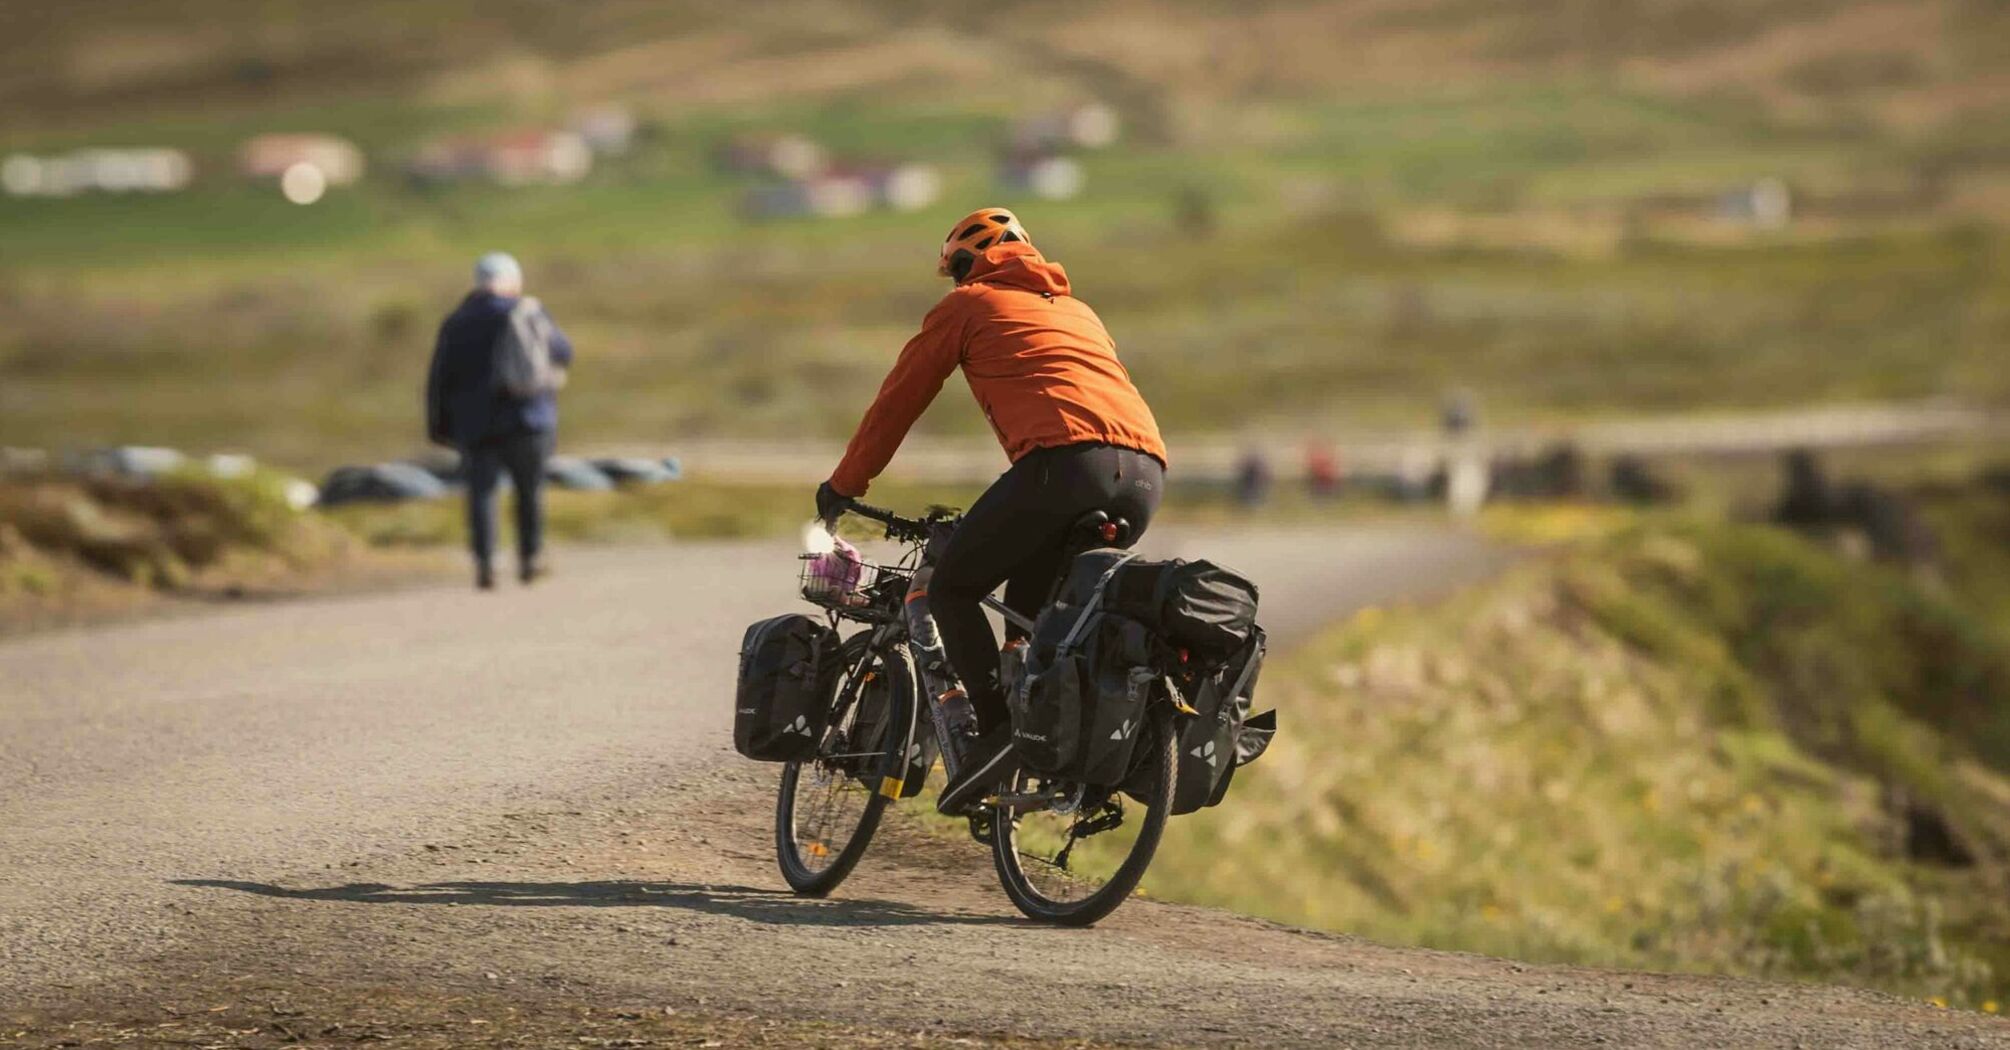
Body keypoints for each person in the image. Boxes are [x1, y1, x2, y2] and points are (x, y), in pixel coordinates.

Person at [815, 208, 1168, 812]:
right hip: (1145, 476)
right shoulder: (1079, 311)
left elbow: (898, 401)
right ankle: (1042, 726)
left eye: (955, 271)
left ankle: (997, 735)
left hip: (1065, 466)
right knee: (1035, 616)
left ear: (964, 264)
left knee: (953, 588)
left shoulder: (969, 305)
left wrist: (846, 483)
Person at [426, 252, 575, 590]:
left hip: (475, 421)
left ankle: (486, 561)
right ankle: (531, 557)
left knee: (481, 492)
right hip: (528, 418)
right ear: (513, 280)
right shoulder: (528, 313)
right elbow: (564, 352)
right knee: (529, 490)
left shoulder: (458, 321)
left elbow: (440, 377)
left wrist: (439, 424)